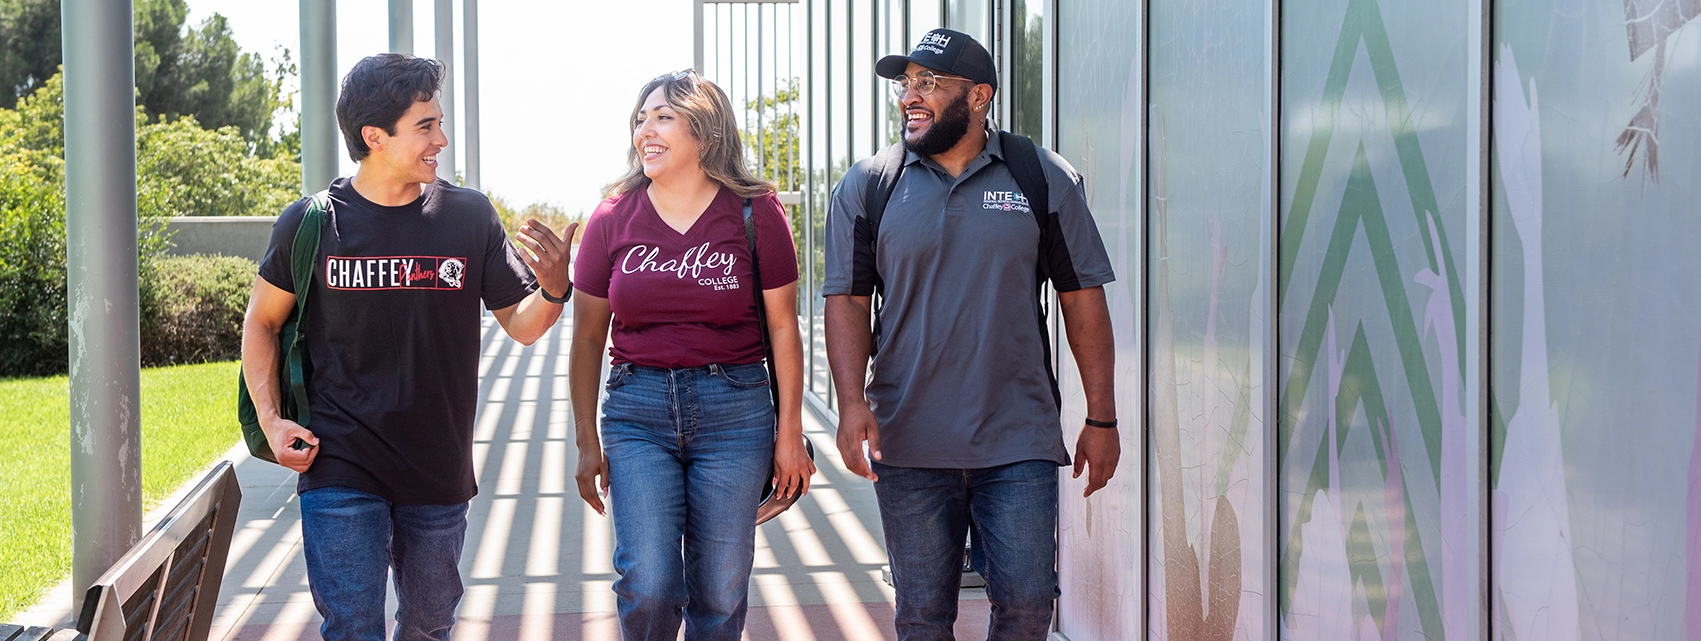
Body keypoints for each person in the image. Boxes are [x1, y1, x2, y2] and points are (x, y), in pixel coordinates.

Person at [240, 53, 576, 641]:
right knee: (353, 626)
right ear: (374, 136)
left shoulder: (468, 215)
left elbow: (522, 325)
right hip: (339, 461)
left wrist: (553, 289)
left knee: (427, 625)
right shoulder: (310, 223)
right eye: (426, 126)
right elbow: (262, 322)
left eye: (439, 123)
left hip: (437, 466)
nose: (441, 140)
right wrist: (270, 421)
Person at [821, 29, 1121, 640]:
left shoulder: (1041, 176)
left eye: (929, 83)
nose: (911, 96)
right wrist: (851, 403)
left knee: (1030, 605)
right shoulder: (869, 185)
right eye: (906, 84)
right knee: (923, 616)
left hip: (1017, 437)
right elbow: (848, 300)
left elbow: (1082, 297)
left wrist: (1102, 418)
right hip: (908, 443)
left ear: (979, 96)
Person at [568, 69, 815, 640]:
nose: (644, 130)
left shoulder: (756, 214)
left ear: (704, 130)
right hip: (637, 411)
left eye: (662, 117)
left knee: (721, 587)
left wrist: (788, 431)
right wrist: (586, 440)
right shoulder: (611, 218)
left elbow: (783, 328)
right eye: (639, 118)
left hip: (735, 411)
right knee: (647, 583)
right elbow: (585, 339)